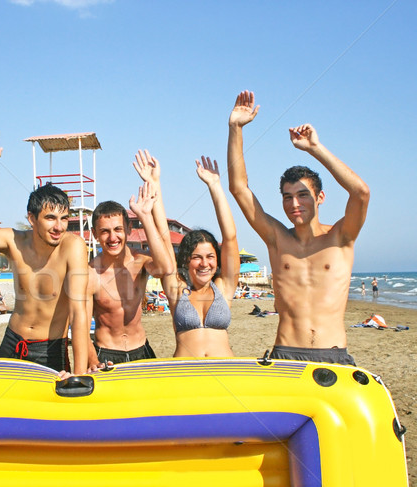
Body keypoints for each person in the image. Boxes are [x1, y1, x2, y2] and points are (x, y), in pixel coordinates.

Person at [227, 90, 370, 365]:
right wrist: (235, 128)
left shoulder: (341, 237)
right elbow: (239, 189)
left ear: (320, 197)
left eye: (303, 194)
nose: (295, 203)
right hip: (286, 354)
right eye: (287, 196)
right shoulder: (277, 239)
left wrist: (315, 148)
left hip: (333, 354)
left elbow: (361, 193)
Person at [0, 127, 89, 377]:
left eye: (64, 218)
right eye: (50, 218)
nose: (59, 226)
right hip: (13, 343)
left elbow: (79, 313)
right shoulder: (13, 240)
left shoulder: (73, 247)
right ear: (32, 218)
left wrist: (78, 374)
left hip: (50, 349)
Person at [135, 150, 240, 358]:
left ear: (217, 260)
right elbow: (164, 237)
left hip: (225, 371)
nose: (204, 263)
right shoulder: (177, 287)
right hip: (184, 373)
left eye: (210, 257)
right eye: (197, 257)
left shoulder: (223, 286)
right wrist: (154, 183)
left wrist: (215, 186)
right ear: (187, 260)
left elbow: (230, 237)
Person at [87, 183, 173, 367]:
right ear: (94, 234)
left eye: (118, 229)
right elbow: (81, 326)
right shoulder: (90, 272)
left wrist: (145, 217)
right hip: (106, 353)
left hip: (141, 349)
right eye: (104, 231)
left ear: (128, 230)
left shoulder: (141, 261)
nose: (112, 237)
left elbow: (166, 269)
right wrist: (93, 360)